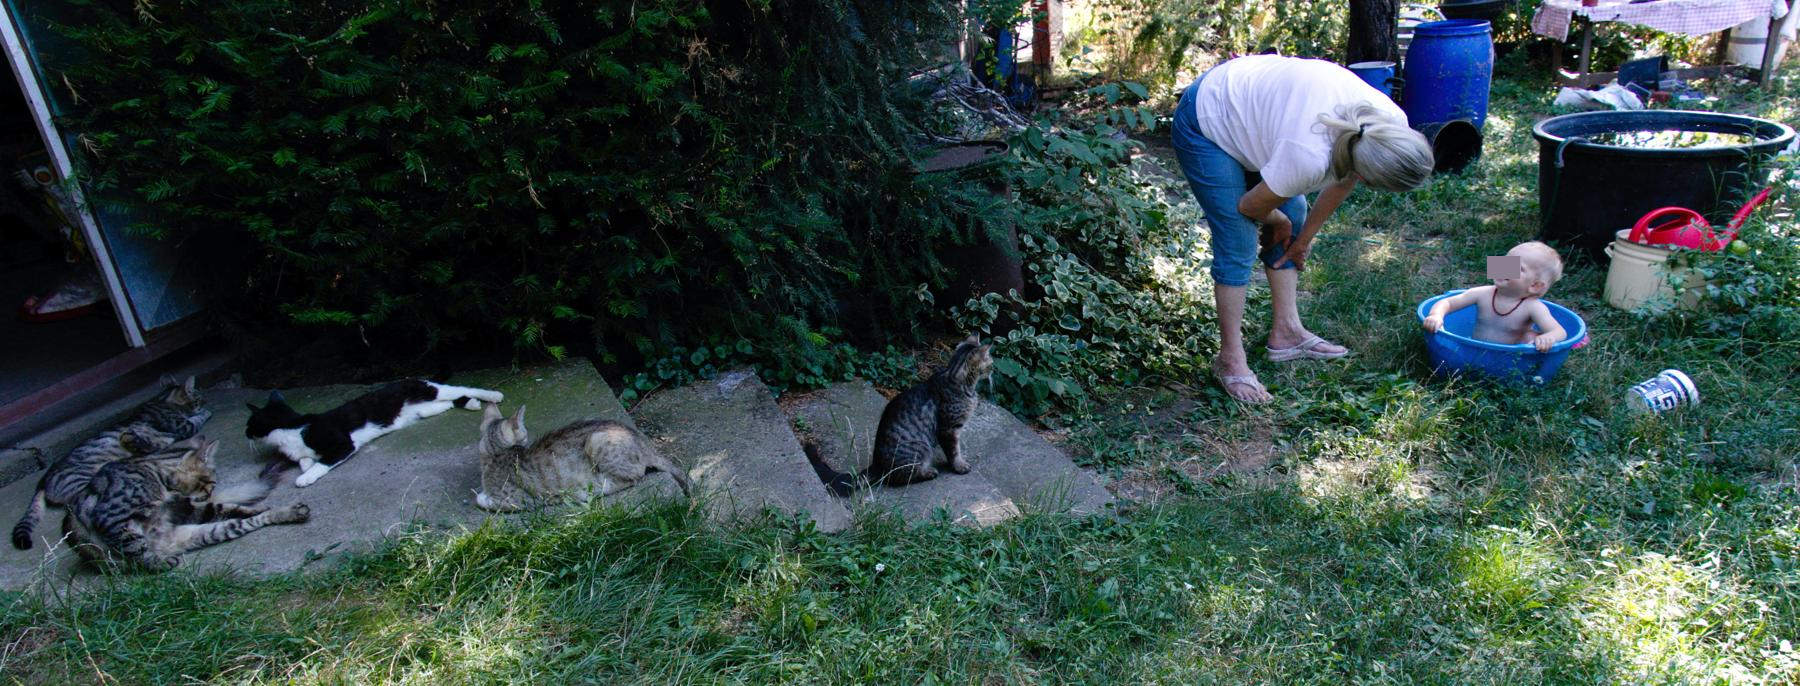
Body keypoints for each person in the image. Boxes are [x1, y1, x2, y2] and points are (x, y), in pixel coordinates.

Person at [1172, 54, 1435, 404]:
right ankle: (1229, 361)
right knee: (1238, 239)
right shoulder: (1309, 155)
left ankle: (1286, 333)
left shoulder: (1385, 128)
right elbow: (1250, 206)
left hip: (1258, 117)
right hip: (1210, 114)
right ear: (1367, 171)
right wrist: (1277, 218)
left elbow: (1341, 182)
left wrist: (1303, 240)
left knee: (1294, 212)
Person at [1423, 241, 1567, 352]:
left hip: (1509, 358)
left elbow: (1559, 332)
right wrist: (1436, 315)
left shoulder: (1533, 307)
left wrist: (1548, 338)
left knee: (1531, 338)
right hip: (1474, 349)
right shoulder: (1483, 293)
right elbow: (1447, 302)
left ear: (1534, 286)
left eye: (1516, 267)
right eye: (1505, 261)